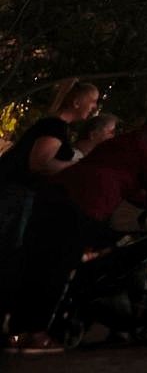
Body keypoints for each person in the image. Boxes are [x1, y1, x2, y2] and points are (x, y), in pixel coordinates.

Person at [10, 110, 147, 353]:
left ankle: (15, 326)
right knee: (58, 264)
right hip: (85, 204)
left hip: (56, 192)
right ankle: (35, 334)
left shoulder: (121, 144)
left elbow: (120, 180)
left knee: (35, 259)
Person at [0, 81, 101, 259]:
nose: (94, 107)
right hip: (15, 194)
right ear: (76, 102)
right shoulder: (55, 127)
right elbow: (40, 164)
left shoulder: (55, 126)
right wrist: (73, 165)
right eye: (92, 101)